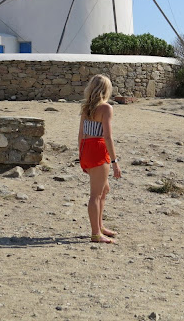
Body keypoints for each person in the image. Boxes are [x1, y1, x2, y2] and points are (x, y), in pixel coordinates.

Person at [78, 74, 122, 244]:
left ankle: (100, 226)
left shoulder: (86, 107)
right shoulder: (105, 108)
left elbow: (81, 134)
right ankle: (96, 233)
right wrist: (115, 162)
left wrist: (81, 155)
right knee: (96, 194)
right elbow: (108, 137)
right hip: (97, 148)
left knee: (104, 190)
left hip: (86, 148)